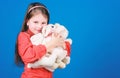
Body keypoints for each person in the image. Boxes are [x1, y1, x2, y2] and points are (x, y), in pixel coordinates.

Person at [15, 2, 71, 78]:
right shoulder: (24, 36)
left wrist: (62, 44)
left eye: (43, 23)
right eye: (35, 22)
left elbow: (65, 52)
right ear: (27, 21)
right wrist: (51, 44)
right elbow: (27, 55)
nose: (39, 26)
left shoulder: (49, 34)